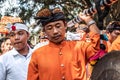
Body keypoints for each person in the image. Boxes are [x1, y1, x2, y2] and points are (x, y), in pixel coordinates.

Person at [27, 8, 100, 80]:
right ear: (44, 31)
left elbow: (96, 46)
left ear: (65, 26)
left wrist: (88, 19)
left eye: (58, 26)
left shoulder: (79, 46)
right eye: (49, 28)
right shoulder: (37, 54)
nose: (55, 31)